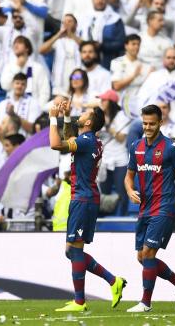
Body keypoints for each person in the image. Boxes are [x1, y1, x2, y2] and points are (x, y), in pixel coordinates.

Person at [48, 100, 125, 312]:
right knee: (71, 251)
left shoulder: (87, 141)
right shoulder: (92, 140)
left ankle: (80, 301)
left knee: (75, 250)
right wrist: (66, 117)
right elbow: (70, 137)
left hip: (83, 198)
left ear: (88, 122)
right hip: (84, 197)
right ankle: (112, 281)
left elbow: (56, 144)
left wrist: (52, 117)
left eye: (84, 112)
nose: (79, 113)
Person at [124, 104, 175, 313]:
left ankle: (145, 302)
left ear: (160, 123)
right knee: (142, 258)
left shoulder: (171, 147)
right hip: (145, 208)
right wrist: (129, 190)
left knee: (148, 253)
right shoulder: (136, 146)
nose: (148, 127)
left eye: (152, 124)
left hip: (164, 207)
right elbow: (128, 176)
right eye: (145, 123)